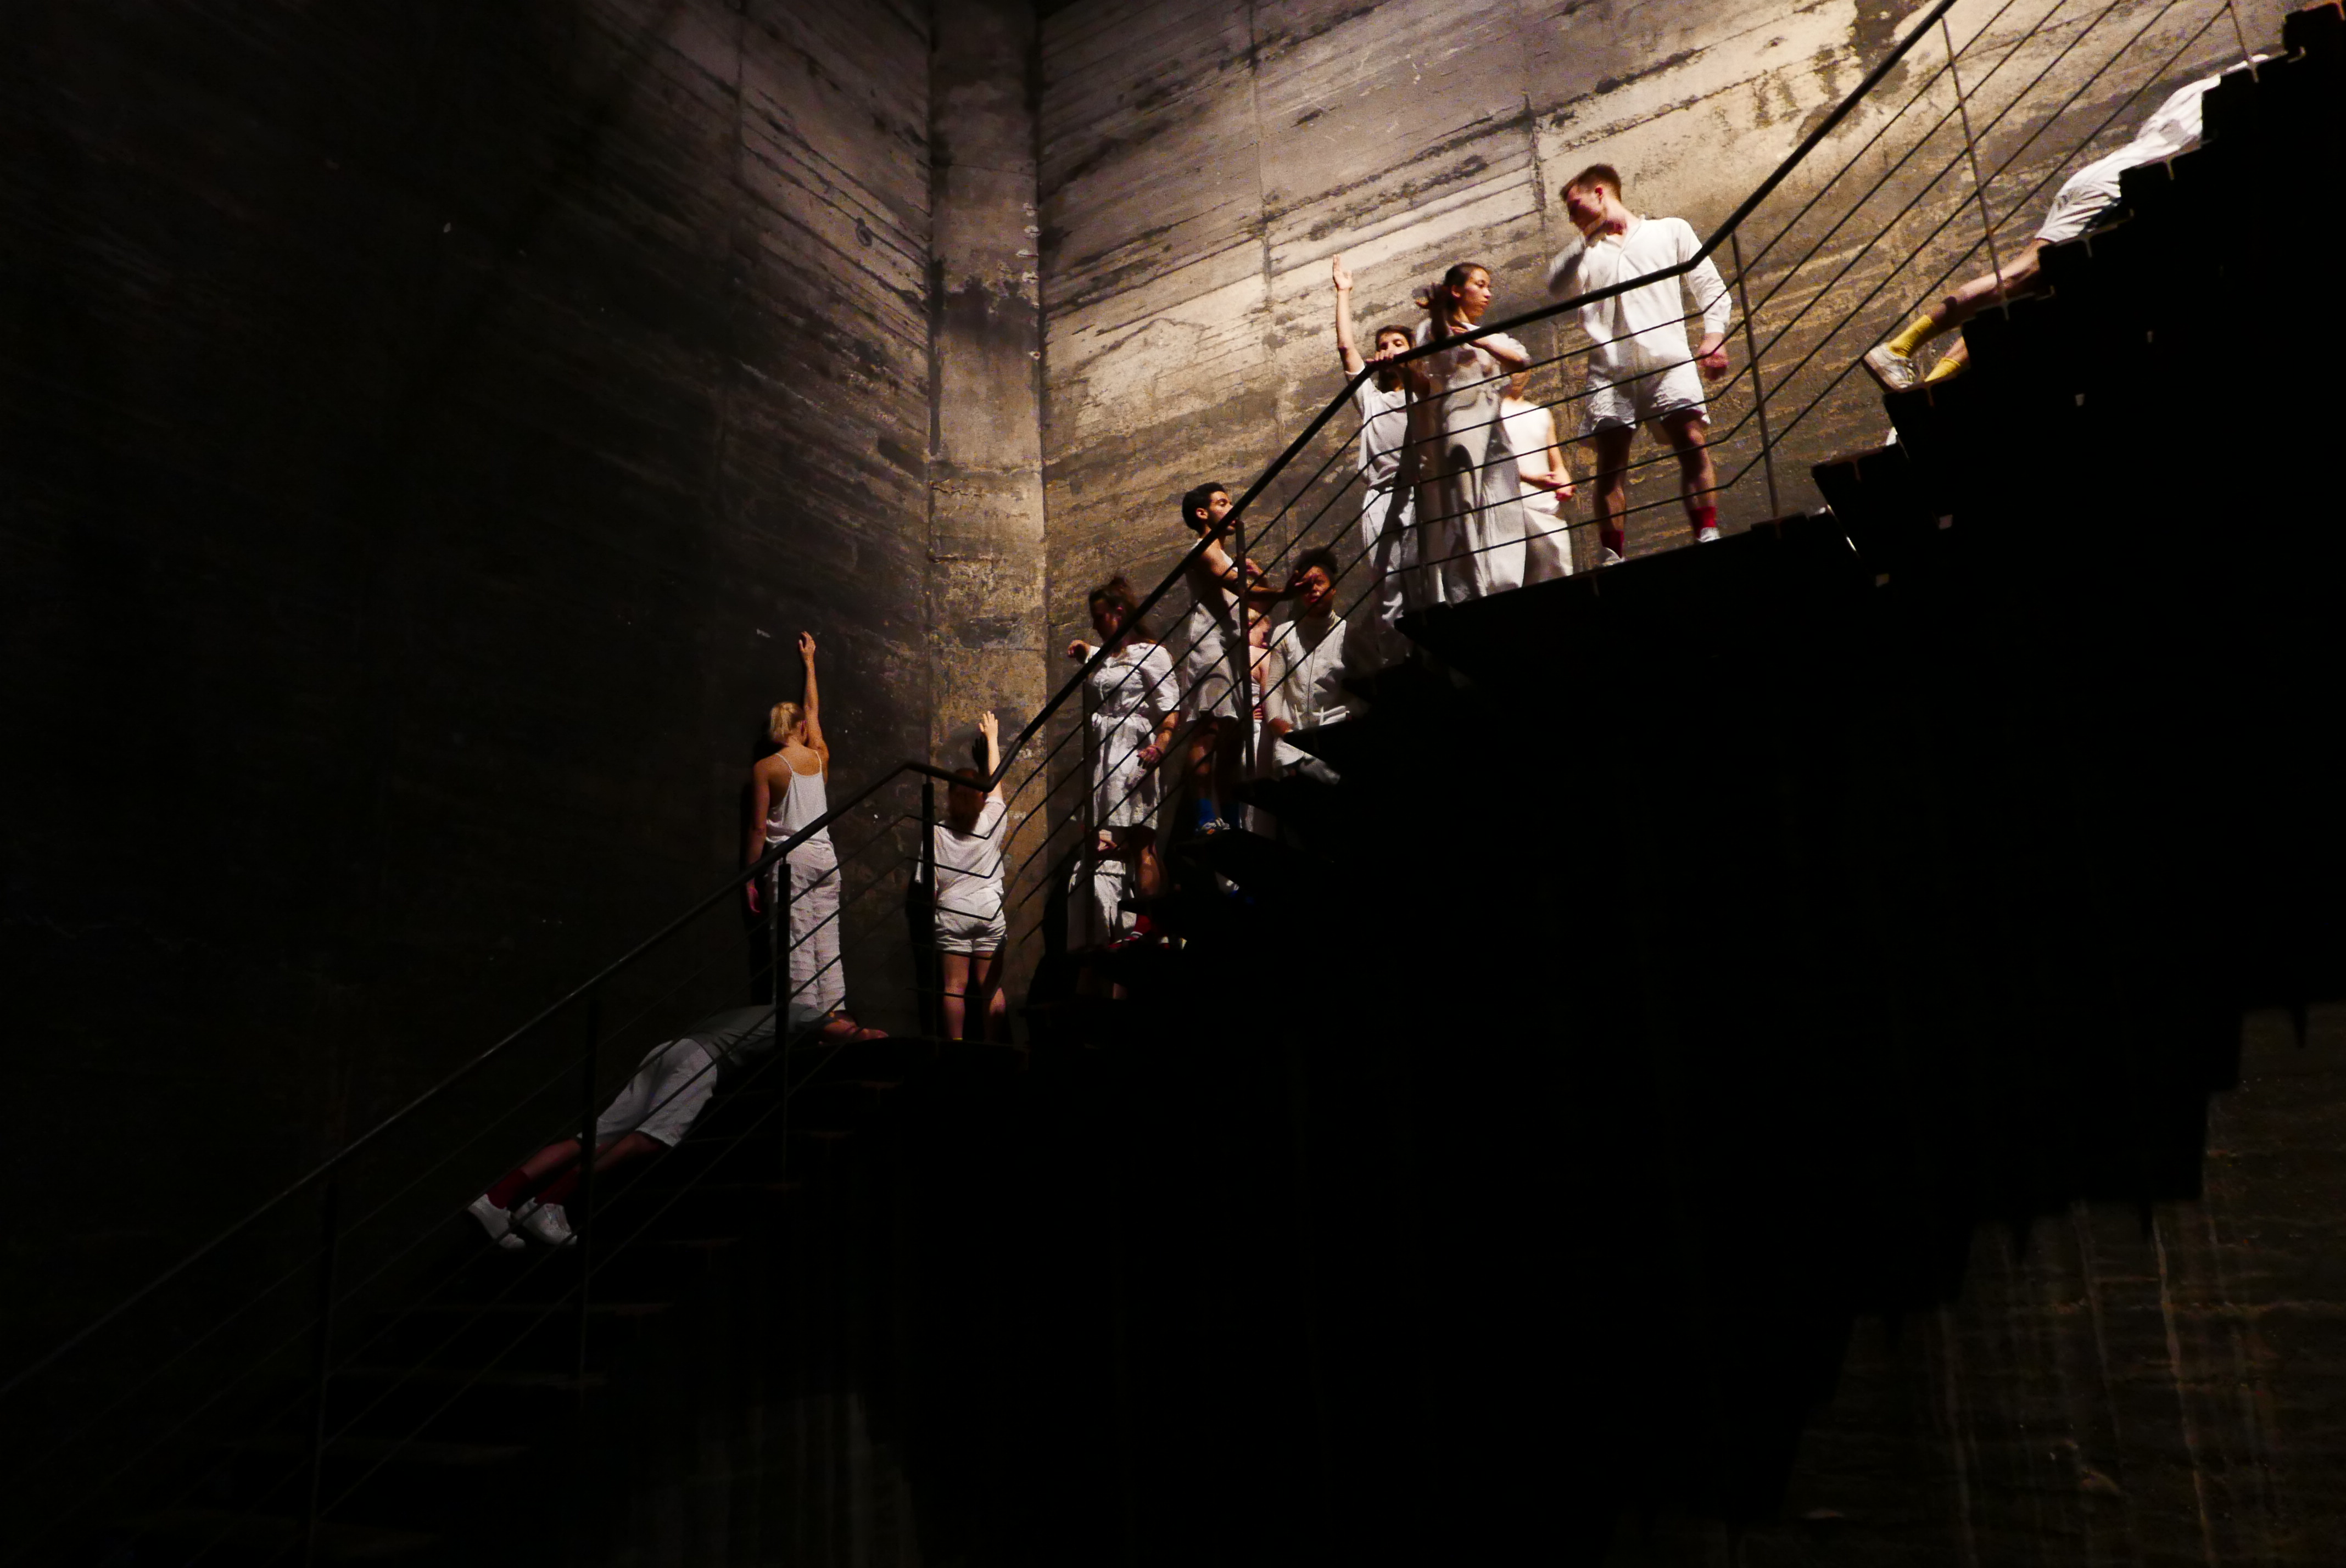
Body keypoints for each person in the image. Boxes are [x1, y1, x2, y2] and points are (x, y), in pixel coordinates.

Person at [1861, 68, 2242, 390]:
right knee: (2024, 275)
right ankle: (1897, 350)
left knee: (2030, 295)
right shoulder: (2238, 89)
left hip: (2106, 174)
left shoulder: (2195, 91)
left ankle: (1932, 388)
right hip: (2117, 186)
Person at [1543, 164, 1733, 564]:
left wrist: (1714, 335)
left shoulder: (1669, 231)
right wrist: (1587, 238)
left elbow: (1708, 284)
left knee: (1692, 441)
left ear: (1600, 193)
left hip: (1668, 358)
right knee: (1611, 463)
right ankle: (1613, 555)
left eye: (1575, 206)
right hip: (1611, 370)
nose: (1572, 217)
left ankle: (1707, 532)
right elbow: (1555, 284)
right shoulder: (1586, 254)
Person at [468, 1005, 778, 1247]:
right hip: (701, 1059)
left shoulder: (758, 1011)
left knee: (591, 1137)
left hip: (670, 1049)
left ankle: (496, 1198)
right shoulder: (799, 1012)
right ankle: (548, 1202)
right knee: (651, 1139)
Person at [744, 632, 886, 1043]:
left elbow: (758, 828)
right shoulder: (819, 755)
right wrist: (810, 663)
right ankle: (837, 1021)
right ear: (802, 728)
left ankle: (807, 1030)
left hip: (791, 860)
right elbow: (812, 708)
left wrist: (750, 877)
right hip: (826, 858)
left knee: (795, 947)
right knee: (826, 943)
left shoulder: (766, 768)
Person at [1406, 262, 1534, 602]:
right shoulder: (1430, 328)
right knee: (1464, 502)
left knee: (1502, 497)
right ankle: (1467, 589)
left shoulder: (1490, 335)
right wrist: (1439, 314)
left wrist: (1480, 340)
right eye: (1480, 284)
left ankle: (1503, 581)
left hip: (1494, 426)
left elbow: (1520, 362)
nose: (1488, 293)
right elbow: (1440, 342)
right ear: (1457, 290)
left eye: (1489, 285)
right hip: (1461, 421)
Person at [1065, 576, 1181, 949]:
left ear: (1119, 613)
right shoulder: (1106, 656)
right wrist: (1086, 650)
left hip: (1134, 747)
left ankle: (1150, 922)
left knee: (1141, 838)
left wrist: (1161, 744)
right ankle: (1137, 924)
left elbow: (1170, 706)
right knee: (1113, 841)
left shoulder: (1152, 654)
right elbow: (1106, 664)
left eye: (1100, 617)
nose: (1095, 624)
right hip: (1103, 753)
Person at [1330, 256, 1418, 664]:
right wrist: (1344, 292)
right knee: (1388, 587)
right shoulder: (1373, 399)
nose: (1388, 351)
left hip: (1420, 493)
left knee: (1424, 577)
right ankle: (1398, 664)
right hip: (1381, 497)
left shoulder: (1424, 391)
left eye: (1398, 344)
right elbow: (1346, 348)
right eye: (1383, 346)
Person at [1175, 483, 1299, 719]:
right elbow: (1239, 587)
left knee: (1232, 726)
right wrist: (1284, 593)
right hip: (1211, 646)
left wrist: (1262, 579)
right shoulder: (1203, 549)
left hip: (1232, 647)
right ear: (1202, 513)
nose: (1232, 509)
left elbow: (1258, 607)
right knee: (1213, 726)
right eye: (1223, 503)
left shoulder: (1225, 558)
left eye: (1231, 503)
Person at [933, 712, 1009, 1043]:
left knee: (954, 987)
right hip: (989, 910)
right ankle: (994, 1051)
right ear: (980, 796)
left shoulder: (936, 832)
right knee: (991, 987)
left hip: (953, 912)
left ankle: (956, 1052)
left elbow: (931, 884)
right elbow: (996, 785)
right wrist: (992, 739)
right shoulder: (991, 820)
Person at [1500, 371, 1578, 581]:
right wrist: (1531, 479)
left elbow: (1557, 464)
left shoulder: (1541, 414)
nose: (1516, 375)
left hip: (1549, 509)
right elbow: (1494, 465)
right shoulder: (1493, 413)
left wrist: (1564, 483)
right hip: (1514, 508)